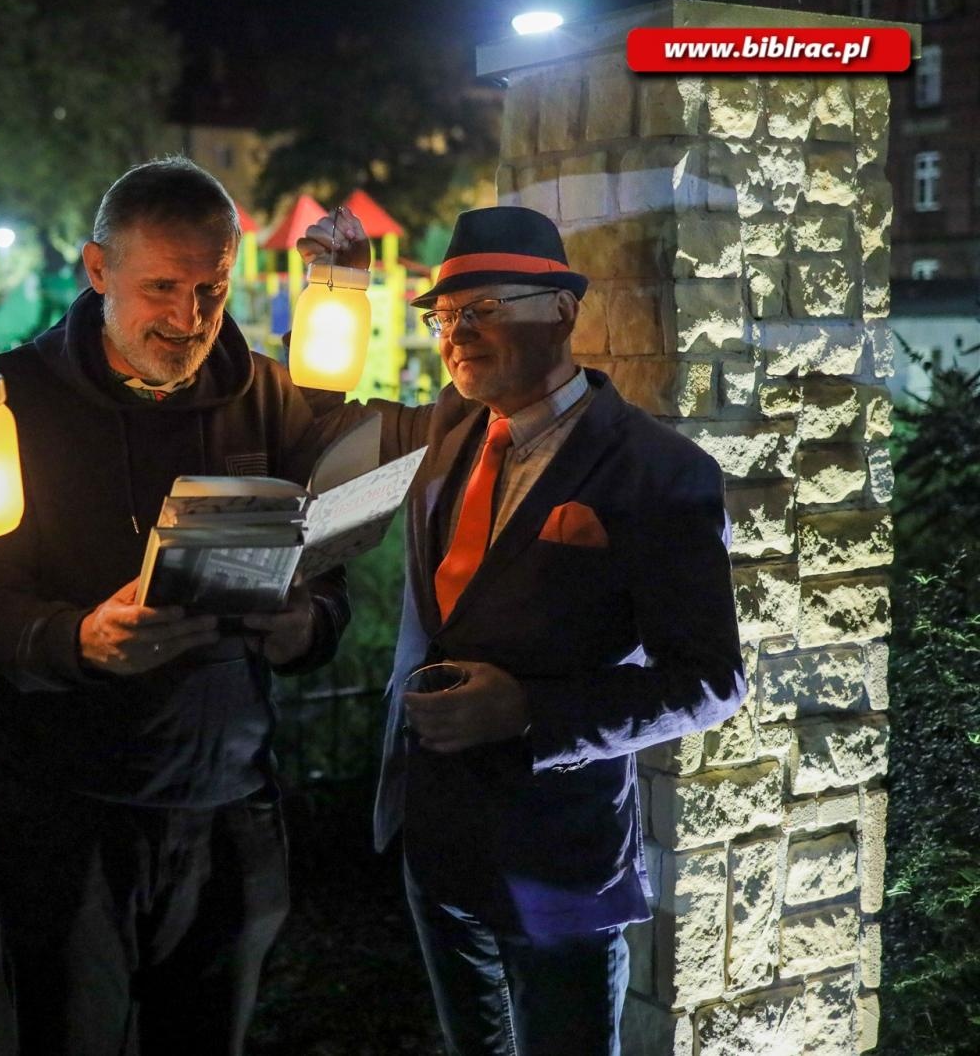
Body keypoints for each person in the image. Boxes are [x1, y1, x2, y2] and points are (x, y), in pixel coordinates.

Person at [296, 205, 746, 1055]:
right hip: (434, 845)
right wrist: (340, 286)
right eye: (445, 315)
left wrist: (532, 712)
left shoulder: (660, 472)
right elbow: (320, 434)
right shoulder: (444, 431)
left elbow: (710, 681)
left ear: (562, 311)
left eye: (485, 309)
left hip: (558, 864)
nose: (457, 333)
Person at [0, 156, 349, 1056]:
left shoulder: (271, 398)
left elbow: (328, 585)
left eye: (212, 287)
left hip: (228, 805)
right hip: (67, 816)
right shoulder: (11, 402)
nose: (191, 318)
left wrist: (303, 626)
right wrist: (76, 637)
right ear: (97, 270)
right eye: (162, 286)